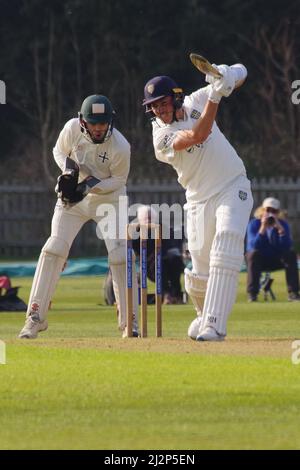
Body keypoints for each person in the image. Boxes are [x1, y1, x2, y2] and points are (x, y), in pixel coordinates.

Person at [143, 64, 253, 341]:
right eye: (153, 106)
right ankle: (203, 315)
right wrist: (216, 96)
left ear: (176, 97)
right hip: (197, 200)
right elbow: (197, 136)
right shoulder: (161, 137)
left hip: (232, 185)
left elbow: (243, 72)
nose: (159, 110)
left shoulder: (196, 99)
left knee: (226, 242)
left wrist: (226, 76)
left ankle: (214, 325)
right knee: (199, 271)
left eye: (163, 102)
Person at [18, 94, 138, 339]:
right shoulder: (71, 128)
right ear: (83, 121)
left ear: (110, 122)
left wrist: (89, 185)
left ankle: (130, 321)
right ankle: (35, 317)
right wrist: (70, 171)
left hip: (109, 199)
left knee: (119, 254)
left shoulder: (121, 146)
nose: (98, 128)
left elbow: (119, 180)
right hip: (73, 199)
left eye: (102, 123)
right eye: (93, 123)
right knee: (54, 249)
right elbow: (58, 151)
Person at [103, 205, 185, 306]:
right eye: (146, 218)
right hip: (148, 265)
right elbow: (127, 248)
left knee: (174, 260)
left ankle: (175, 295)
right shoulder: (134, 231)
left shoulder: (162, 228)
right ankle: (165, 295)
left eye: (150, 218)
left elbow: (170, 246)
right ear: (140, 219)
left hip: (163, 261)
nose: (148, 220)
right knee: (157, 262)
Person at [246, 197, 300, 302]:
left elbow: (287, 247)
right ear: (262, 210)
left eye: (274, 211)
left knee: (291, 255)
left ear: (278, 212)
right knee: (253, 254)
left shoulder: (283, 224)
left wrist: (280, 230)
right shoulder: (254, 224)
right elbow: (253, 246)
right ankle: (252, 294)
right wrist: (262, 228)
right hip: (259, 260)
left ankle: (293, 293)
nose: (270, 213)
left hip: (276, 259)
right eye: (268, 210)